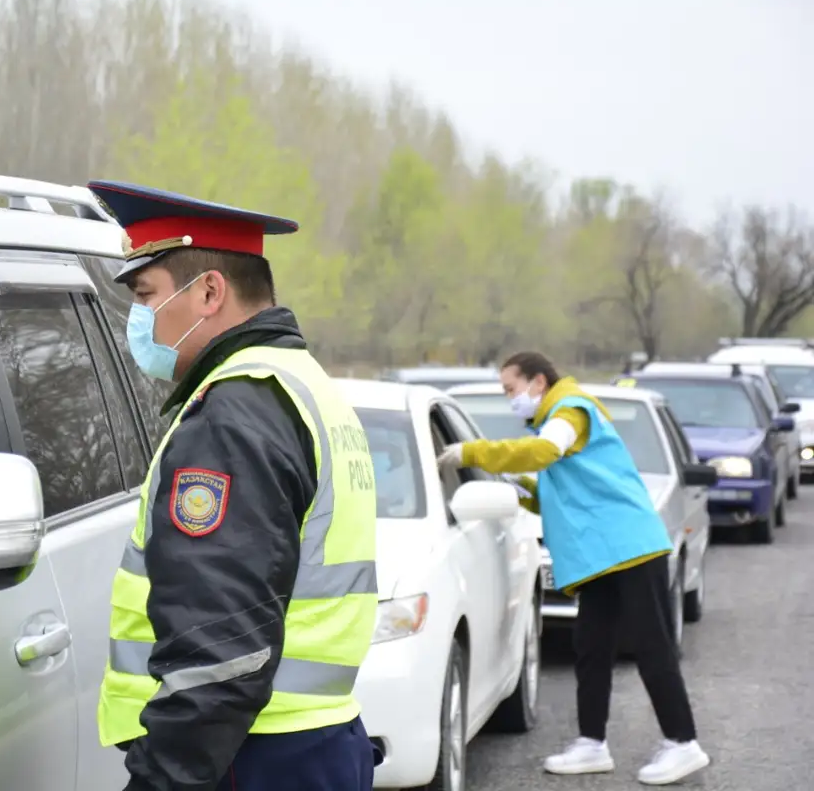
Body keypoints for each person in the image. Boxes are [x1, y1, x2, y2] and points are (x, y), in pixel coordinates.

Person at [88, 179, 380, 791]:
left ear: (209, 292)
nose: (138, 319)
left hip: (249, 757)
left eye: (146, 296)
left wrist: (161, 780)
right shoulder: (301, 382)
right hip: (309, 743)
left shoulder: (234, 413)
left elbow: (219, 646)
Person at [438, 351, 709, 786]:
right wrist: (520, 491)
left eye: (511, 389)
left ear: (538, 382)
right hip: (601, 556)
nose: (510, 399)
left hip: (630, 547)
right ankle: (591, 743)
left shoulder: (571, 410)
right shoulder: (554, 419)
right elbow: (561, 494)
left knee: (651, 645)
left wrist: (472, 452)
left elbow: (543, 452)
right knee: (592, 647)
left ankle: (683, 743)